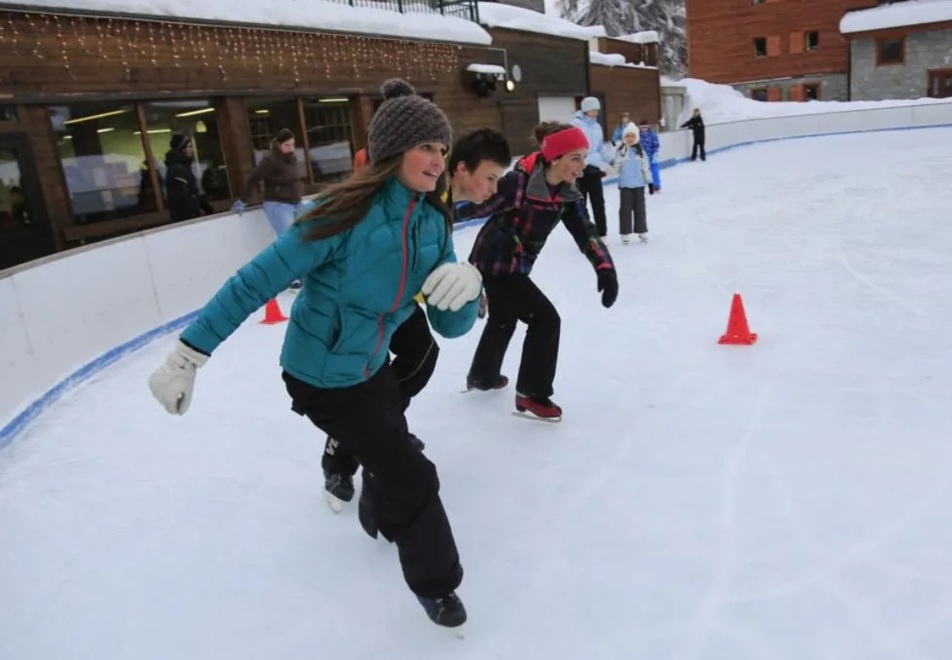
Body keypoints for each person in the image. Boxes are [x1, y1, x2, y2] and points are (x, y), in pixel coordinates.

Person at [146, 78, 483, 629]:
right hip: (320, 374)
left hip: (370, 367)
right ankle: (438, 586)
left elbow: (448, 325)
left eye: (442, 150)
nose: (438, 160)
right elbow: (253, 283)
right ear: (392, 151)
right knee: (414, 475)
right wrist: (186, 357)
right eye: (426, 146)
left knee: (392, 451)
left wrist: (469, 289)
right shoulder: (341, 214)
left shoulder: (431, 222)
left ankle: (373, 492)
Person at [322, 129, 512, 531]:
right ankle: (344, 449)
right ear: (462, 169)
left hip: (395, 300)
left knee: (419, 358)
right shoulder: (427, 193)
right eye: (491, 178)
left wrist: (463, 287)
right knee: (380, 371)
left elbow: (429, 259)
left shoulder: (442, 202)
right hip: (361, 301)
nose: (494, 189)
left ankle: (381, 432)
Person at [458, 122, 619, 421]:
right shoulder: (518, 185)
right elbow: (471, 207)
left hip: (516, 265)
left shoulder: (568, 195)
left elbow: (587, 233)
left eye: (584, 158)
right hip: (493, 262)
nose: (582, 167)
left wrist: (605, 268)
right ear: (555, 158)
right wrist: (431, 212)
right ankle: (532, 393)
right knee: (545, 319)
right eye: (576, 158)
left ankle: (482, 376)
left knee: (504, 318)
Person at [232, 128, 304, 238]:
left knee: (307, 234)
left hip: (295, 202)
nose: (291, 148)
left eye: (292, 144)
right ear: (279, 145)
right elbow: (253, 179)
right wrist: (243, 200)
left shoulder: (292, 158)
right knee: (289, 238)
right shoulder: (270, 161)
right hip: (278, 204)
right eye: (287, 145)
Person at [571, 97, 614, 237]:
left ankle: (602, 233)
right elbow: (573, 148)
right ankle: (585, 234)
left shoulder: (597, 127)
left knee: (598, 203)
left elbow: (600, 149)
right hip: (580, 169)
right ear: (586, 109)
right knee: (581, 204)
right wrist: (581, 163)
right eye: (593, 109)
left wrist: (611, 160)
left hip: (594, 170)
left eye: (597, 110)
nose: (596, 112)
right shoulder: (575, 125)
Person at [615, 123, 655, 244]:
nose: (630, 138)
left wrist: (650, 182)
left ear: (636, 137)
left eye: (632, 136)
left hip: (639, 184)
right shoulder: (621, 151)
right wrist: (615, 165)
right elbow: (616, 167)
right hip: (625, 185)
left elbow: (645, 168)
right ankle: (625, 232)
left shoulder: (641, 151)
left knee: (640, 208)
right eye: (628, 136)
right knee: (625, 209)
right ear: (624, 137)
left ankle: (641, 230)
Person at [165, 133, 213, 223]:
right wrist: (196, 211)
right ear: (182, 149)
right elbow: (184, 195)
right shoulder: (177, 170)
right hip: (185, 219)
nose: (192, 149)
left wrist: (204, 206)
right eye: (189, 147)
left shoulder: (184, 166)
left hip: (189, 217)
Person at [637, 118, 662, 192]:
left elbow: (656, 144)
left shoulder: (652, 134)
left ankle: (657, 185)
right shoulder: (638, 136)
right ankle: (641, 185)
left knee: (655, 170)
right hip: (643, 156)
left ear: (648, 127)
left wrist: (655, 153)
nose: (644, 129)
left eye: (645, 127)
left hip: (652, 155)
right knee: (644, 171)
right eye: (642, 128)